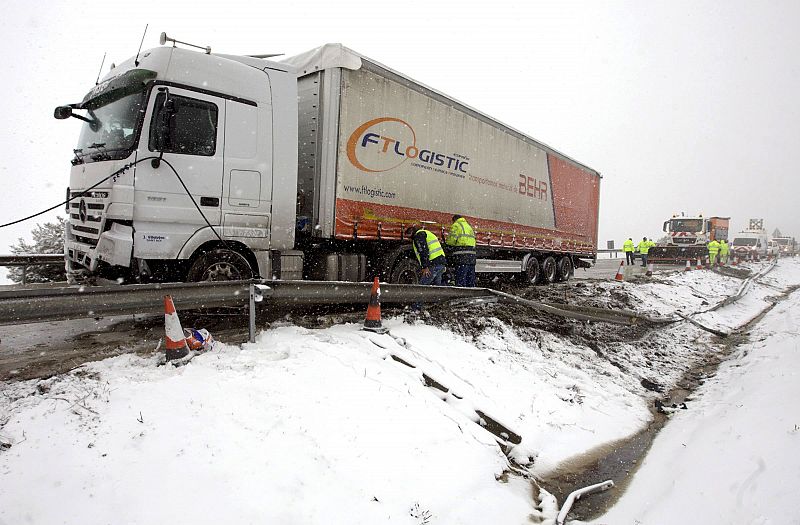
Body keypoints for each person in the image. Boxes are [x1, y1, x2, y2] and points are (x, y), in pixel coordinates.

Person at [445, 214, 477, 287]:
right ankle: (471, 293)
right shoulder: (468, 226)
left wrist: (447, 245)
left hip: (462, 254)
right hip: (471, 255)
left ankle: (461, 293)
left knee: (460, 277)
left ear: (454, 220)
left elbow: (451, 240)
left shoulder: (456, 225)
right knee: (470, 277)